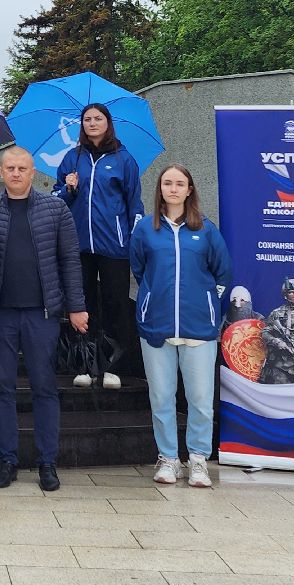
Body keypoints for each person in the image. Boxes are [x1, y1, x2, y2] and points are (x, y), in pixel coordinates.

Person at [0, 146, 87, 492]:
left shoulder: (55, 208)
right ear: (1, 171)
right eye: (10, 168)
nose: (17, 173)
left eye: (23, 168)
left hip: (43, 314)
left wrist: (77, 306)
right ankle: (7, 459)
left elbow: (70, 260)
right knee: (2, 387)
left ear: (34, 172)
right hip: (0, 314)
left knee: (44, 387)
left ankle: (47, 462)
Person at [129, 164, 232, 489]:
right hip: (156, 326)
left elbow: (222, 272)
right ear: (160, 189)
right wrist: (150, 300)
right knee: (161, 396)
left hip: (198, 328)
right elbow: (139, 269)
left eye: (180, 183)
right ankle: (168, 458)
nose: (173, 188)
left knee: (200, 398)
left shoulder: (207, 230)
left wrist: (207, 304)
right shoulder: (146, 230)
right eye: (167, 183)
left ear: (190, 190)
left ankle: (198, 459)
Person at [53, 103, 145, 390]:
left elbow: (134, 203)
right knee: (83, 304)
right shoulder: (72, 158)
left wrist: (133, 239)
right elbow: (55, 200)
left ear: (108, 123)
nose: (92, 123)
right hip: (78, 245)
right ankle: (85, 365)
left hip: (114, 246)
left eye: (98, 118)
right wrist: (67, 188)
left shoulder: (123, 159)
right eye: (87, 119)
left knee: (115, 303)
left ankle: (113, 367)